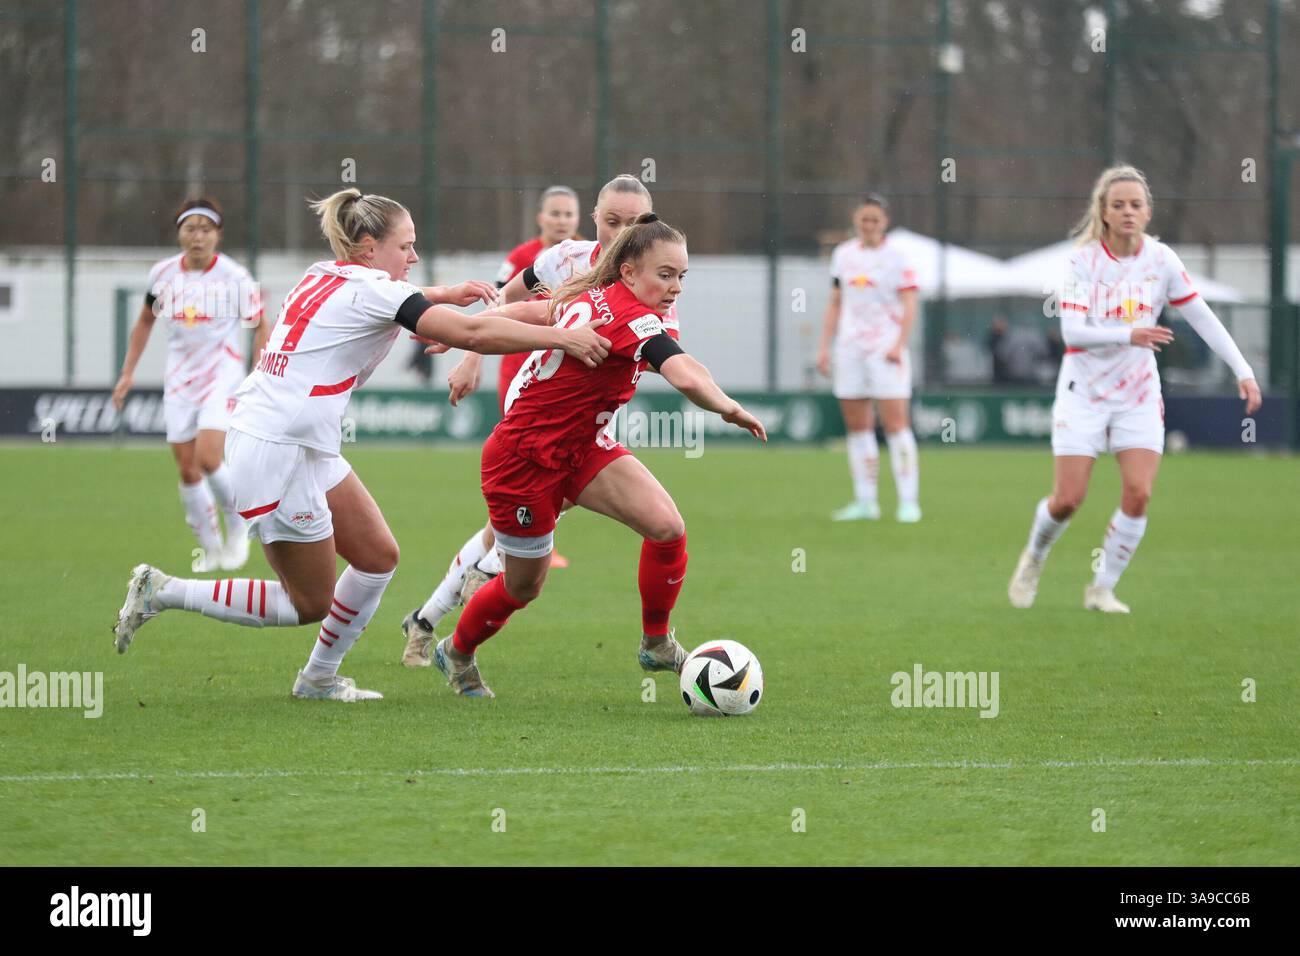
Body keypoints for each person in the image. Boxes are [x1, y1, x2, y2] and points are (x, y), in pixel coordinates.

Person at [112, 188, 611, 701]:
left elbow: (384, 302)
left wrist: (442, 294)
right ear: (369, 247)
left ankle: (319, 679)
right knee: (307, 603)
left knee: (377, 556)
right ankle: (165, 591)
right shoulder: (378, 291)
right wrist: (563, 337)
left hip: (300, 443)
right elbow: (473, 335)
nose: (414, 257)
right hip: (274, 450)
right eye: (407, 246)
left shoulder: (323, 272)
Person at [431, 213, 767, 698]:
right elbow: (685, 373)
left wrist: (469, 328)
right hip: (522, 461)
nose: (675, 287)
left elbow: (531, 312)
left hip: (583, 449)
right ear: (629, 272)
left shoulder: (597, 296)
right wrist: (729, 408)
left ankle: (656, 641)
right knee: (524, 587)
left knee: (667, 528)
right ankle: (456, 652)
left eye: (681, 276)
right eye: (665, 275)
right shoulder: (628, 313)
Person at [399, 174, 656, 666]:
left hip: (585, 411)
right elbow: (504, 300)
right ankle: (482, 579)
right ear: (592, 221)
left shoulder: (653, 273)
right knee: (533, 511)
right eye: (611, 221)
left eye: (634, 223)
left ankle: (429, 617)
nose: (622, 232)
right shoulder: (565, 259)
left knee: (518, 522)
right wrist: (472, 355)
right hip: (534, 394)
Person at [1008, 165, 1261, 613]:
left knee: (1139, 493)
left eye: (1136, 204)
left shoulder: (1161, 260)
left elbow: (1201, 315)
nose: (1128, 212)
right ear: (1103, 213)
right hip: (1082, 392)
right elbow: (1073, 333)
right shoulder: (1082, 261)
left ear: (1148, 212)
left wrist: (1242, 368)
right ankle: (1035, 557)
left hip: (1138, 394)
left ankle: (1101, 587)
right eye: (1118, 205)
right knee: (1068, 500)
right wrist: (1131, 334)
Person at [111, 198, 269, 571]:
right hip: (180, 379)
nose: (198, 237)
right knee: (187, 469)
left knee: (209, 458)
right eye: (190, 228)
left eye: (206, 229)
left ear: (218, 235)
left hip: (223, 375)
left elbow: (260, 324)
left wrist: (256, 374)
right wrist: (127, 373)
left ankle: (237, 525)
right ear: (180, 233)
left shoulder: (235, 277)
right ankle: (211, 548)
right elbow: (145, 321)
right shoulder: (163, 274)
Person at [816, 194, 922, 523]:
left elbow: (910, 304)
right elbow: (835, 302)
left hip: (885, 349)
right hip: (850, 349)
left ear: (885, 222)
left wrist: (899, 344)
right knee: (858, 428)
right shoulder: (844, 255)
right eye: (864, 219)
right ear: (856, 221)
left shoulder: (898, 257)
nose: (869, 225)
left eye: (875, 220)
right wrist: (824, 346)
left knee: (895, 426)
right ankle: (866, 501)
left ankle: (908, 501)